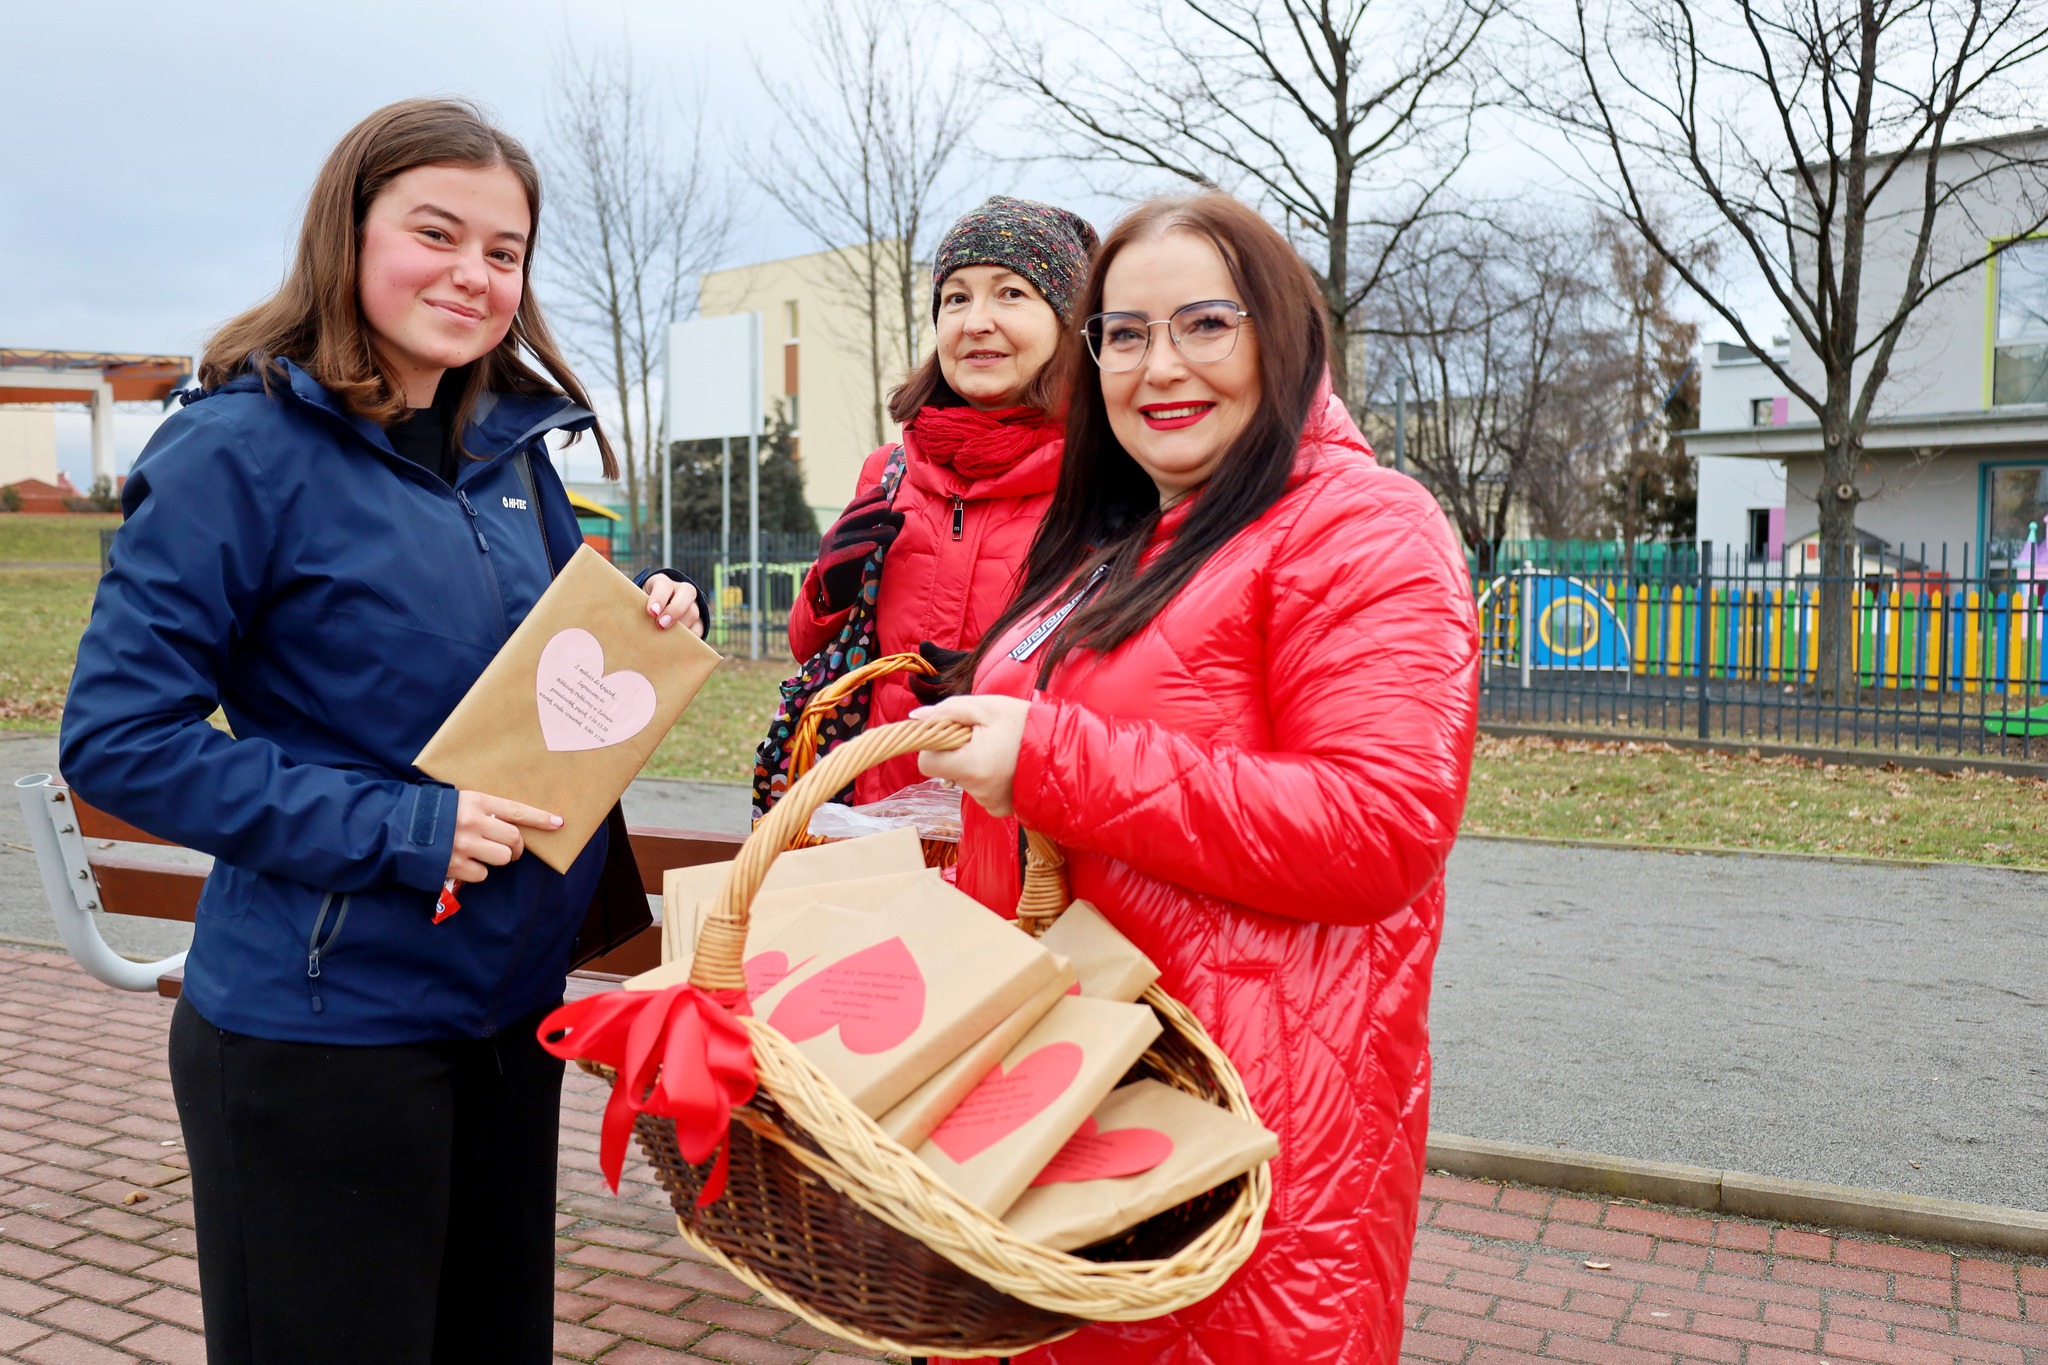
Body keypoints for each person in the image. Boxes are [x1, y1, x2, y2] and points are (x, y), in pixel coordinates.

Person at [58, 99, 704, 1365]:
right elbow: (122, 739)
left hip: (505, 1015)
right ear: (347, 237)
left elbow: (543, 672)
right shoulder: (234, 450)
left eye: (505, 251)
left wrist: (643, 621)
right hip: (321, 1033)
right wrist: (407, 827)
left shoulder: (510, 456)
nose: (474, 275)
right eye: (437, 233)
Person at [915, 194, 1479, 1364]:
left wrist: (1045, 756)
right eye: (1122, 335)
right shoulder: (1127, 537)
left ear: (1282, 337)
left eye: (1203, 325)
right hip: (1075, 1099)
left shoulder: (1361, 528)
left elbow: (1376, 829)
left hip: (1244, 1125)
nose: (1157, 367)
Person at [787, 195, 1096, 803]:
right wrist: (830, 587)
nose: (974, 321)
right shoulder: (890, 469)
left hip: (1031, 831)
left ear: (1067, 321)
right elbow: (809, 647)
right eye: (956, 297)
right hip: (879, 819)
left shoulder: (1106, 477)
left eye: (1011, 293)